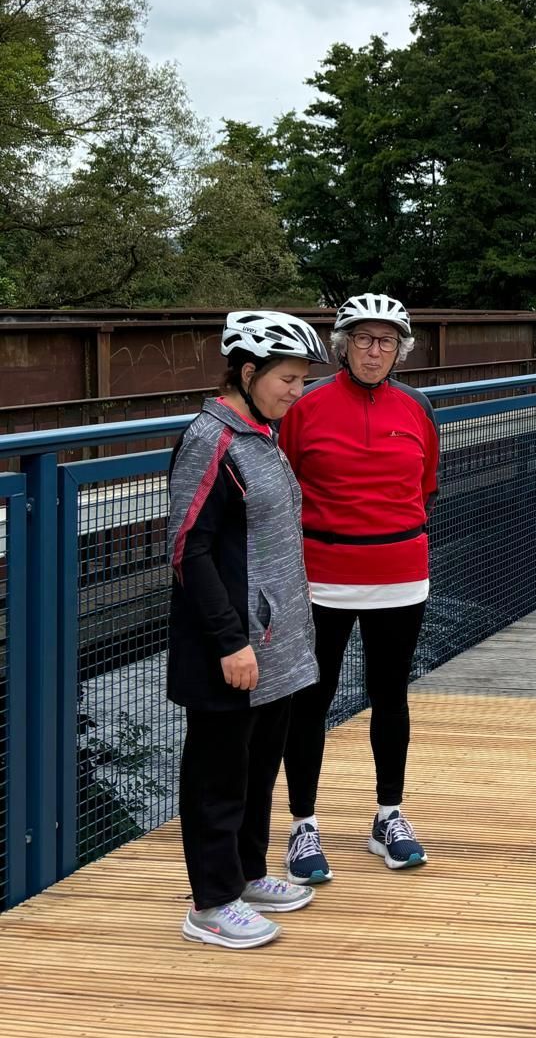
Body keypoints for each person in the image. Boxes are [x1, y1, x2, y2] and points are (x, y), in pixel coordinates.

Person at [167, 310, 328, 949]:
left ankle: (249, 874)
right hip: (233, 646)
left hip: (278, 640)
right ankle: (211, 902)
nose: (297, 390)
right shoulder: (213, 439)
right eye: (287, 378)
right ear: (247, 371)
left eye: (302, 378)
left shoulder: (260, 434)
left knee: (260, 765)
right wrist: (230, 640)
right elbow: (187, 548)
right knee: (217, 772)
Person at [277, 293, 440, 884]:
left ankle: (388, 815)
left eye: (388, 341)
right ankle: (302, 823)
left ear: (401, 349)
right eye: (366, 340)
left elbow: (424, 488)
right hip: (321, 577)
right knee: (309, 702)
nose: (376, 351)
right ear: (343, 345)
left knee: (390, 695)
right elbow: (284, 487)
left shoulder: (417, 407)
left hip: (400, 574)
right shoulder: (306, 407)